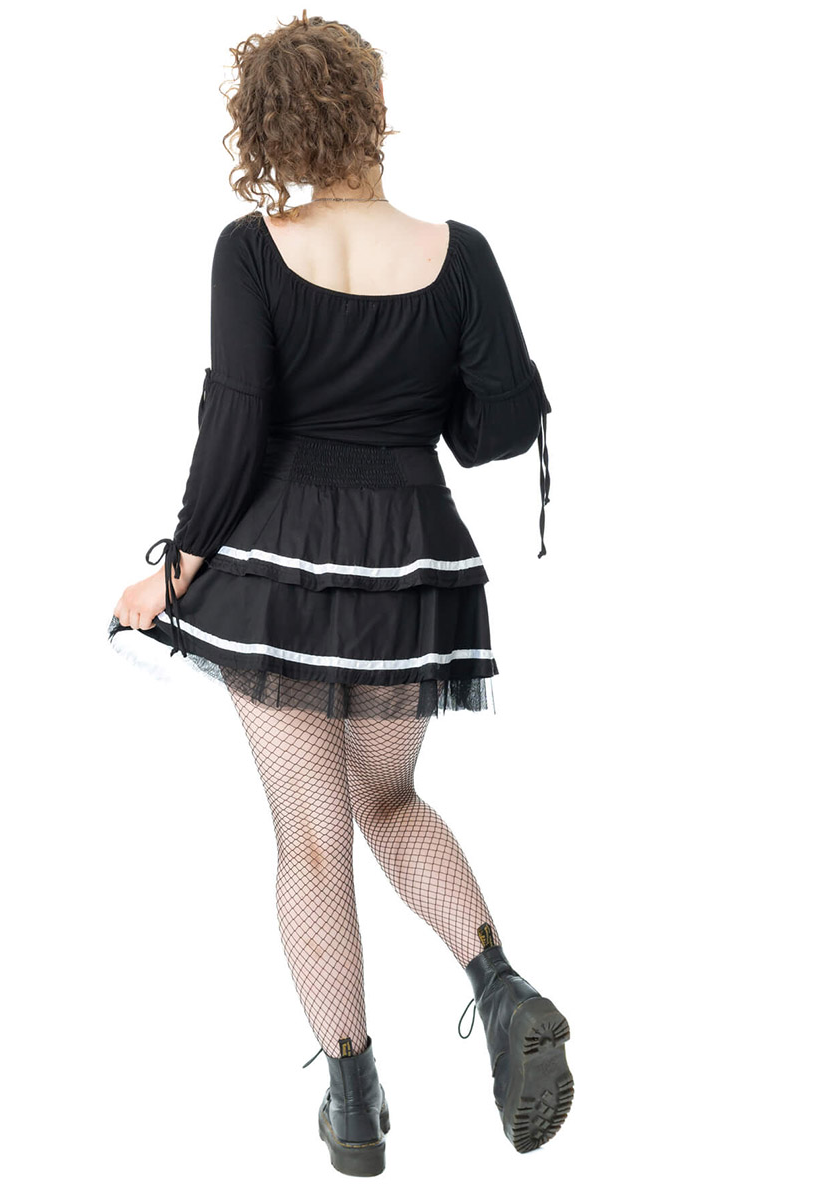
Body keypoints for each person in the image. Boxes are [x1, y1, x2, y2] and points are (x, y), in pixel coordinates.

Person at [107, 13, 569, 1177]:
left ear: (268, 130)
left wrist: (173, 572)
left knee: (311, 840)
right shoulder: (460, 253)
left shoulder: (251, 250)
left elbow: (237, 426)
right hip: (413, 562)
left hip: (281, 569)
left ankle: (354, 1103)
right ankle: (503, 988)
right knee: (390, 799)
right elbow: (499, 429)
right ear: (372, 107)